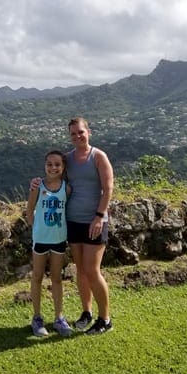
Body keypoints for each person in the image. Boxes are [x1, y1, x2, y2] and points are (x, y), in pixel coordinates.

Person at [64, 117, 113, 334]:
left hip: (94, 221)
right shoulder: (67, 159)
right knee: (81, 270)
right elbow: (56, 181)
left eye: (80, 132)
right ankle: (87, 312)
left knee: (93, 271)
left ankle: (105, 319)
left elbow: (108, 189)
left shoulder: (98, 156)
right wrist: (37, 185)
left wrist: (99, 216)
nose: (77, 136)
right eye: (73, 134)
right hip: (73, 220)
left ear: (89, 132)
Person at [25, 150, 72, 337]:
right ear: (45, 166)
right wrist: (35, 229)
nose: (53, 167)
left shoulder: (66, 188)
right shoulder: (37, 186)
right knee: (37, 277)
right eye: (49, 164)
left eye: (57, 164)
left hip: (59, 238)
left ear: (63, 167)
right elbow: (29, 210)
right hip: (41, 239)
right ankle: (37, 318)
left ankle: (59, 317)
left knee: (57, 278)